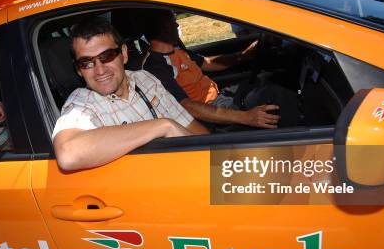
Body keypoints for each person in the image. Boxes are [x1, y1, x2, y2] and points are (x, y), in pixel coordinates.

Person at [52, 17, 208, 171]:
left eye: (107, 56)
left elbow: (195, 131)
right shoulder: (81, 104)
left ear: (124, 54)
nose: (100, 70)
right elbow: (68, 153)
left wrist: (216, 163)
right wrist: (163, 126)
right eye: (86, 63)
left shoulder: (146, 79)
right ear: (79, 70)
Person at [142, 10, 281, 130]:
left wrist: (242, 56)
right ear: (165, 27)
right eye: (174, 21)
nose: (177, 25)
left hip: (219, 97)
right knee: (274, 93)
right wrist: (246, 117)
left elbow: (208, 62)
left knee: (268, 79)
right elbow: (187, 106)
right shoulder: (155, 67)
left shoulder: (177, 51)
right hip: (210, 112)